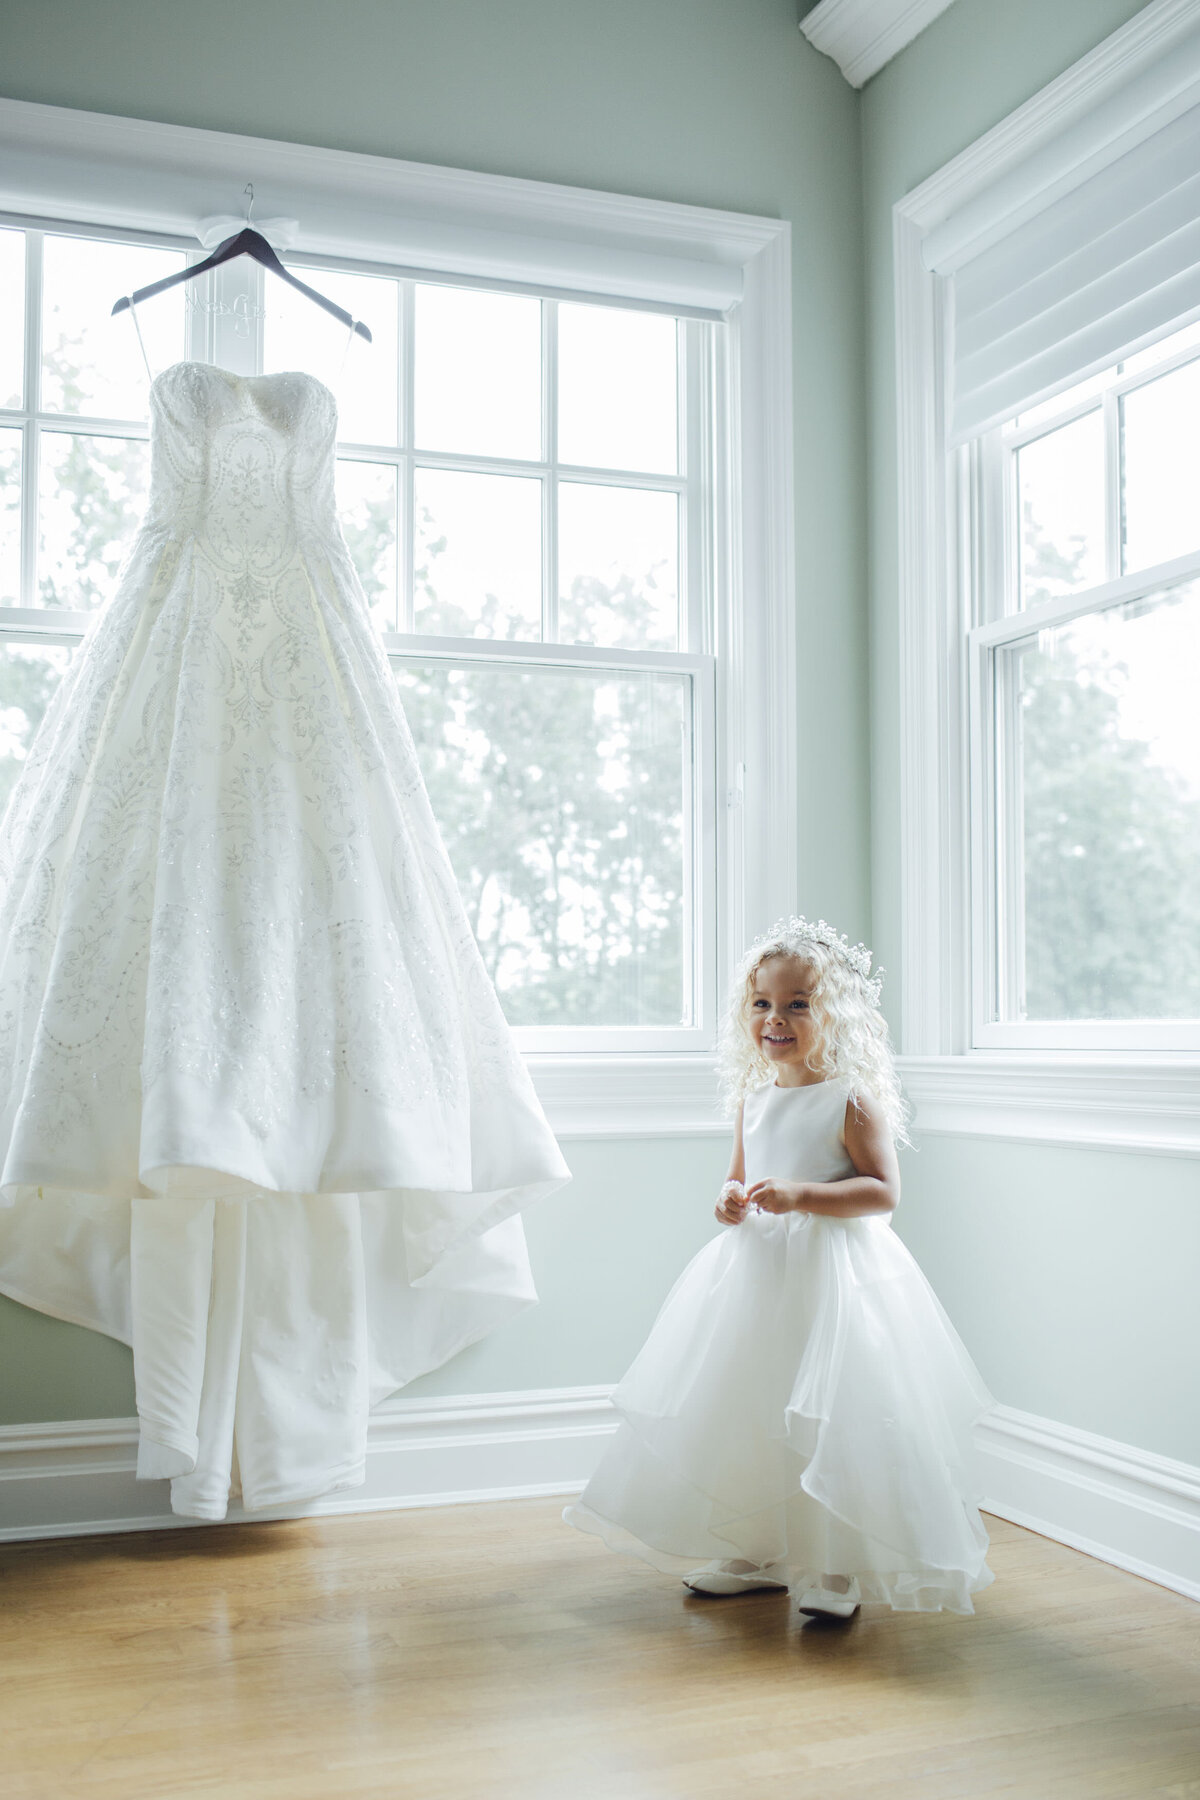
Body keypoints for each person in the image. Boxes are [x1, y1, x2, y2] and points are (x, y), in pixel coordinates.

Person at [565, 916, 993, 1617]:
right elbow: (737, 1178)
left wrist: (803, 1195)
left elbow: (882, 1191)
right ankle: (759, 1548)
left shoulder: (850, 1100)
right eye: (763, 1003)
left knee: (833, 1414)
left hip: (834, 1281)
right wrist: (731, 1202)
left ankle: (835, 1564)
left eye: (799, 1003)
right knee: (751, 1405)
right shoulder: (753, 1098)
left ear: (837, 1015)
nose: (777, 1018)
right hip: (757, 1276)